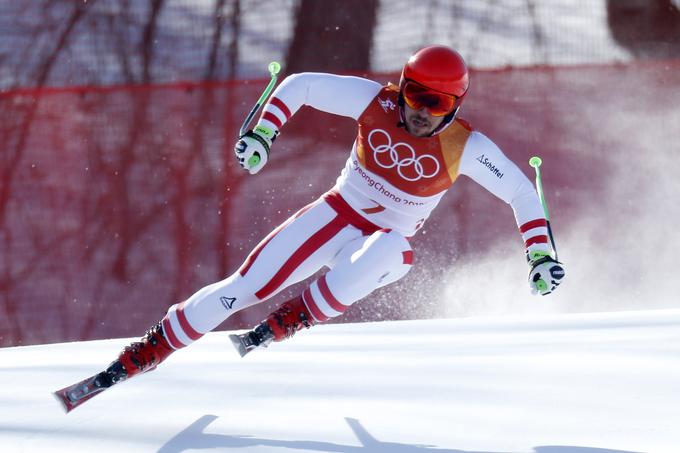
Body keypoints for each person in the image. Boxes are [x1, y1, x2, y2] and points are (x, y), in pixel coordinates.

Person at [102, 45, 565, 384]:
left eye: (437, 102)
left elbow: (522, 193)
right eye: (415, 94)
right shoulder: (374, 101)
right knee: (241, 289)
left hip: (380, 250)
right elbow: (299, 85)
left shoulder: (466, 147)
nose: (421, 110)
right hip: (334, 216)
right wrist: (264, 133)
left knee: (390, 247)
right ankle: (150, 349)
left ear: (456, 105)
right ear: (402, 87)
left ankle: (296, 315)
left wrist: (540, 257)